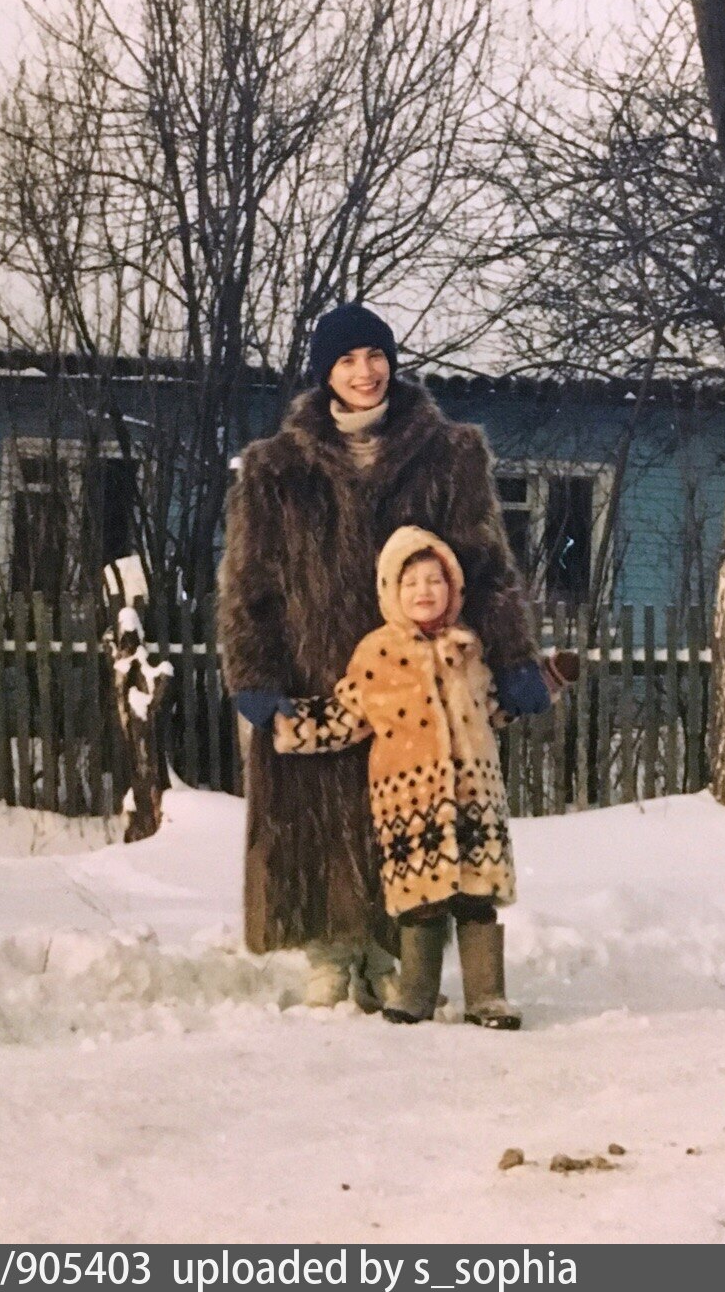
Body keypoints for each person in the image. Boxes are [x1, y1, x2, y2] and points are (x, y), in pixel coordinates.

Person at [216, 302, 548, 1009]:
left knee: (406, 814)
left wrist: (515, 656)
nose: (364, 372)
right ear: (325, 373)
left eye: (374, 356)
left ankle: (393, 951)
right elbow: (250, 583)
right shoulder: (277, 467)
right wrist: (253, 673)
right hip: (312, 666)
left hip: (417, 675)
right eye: (346, 360)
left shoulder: (448, 454)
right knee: (315, 810)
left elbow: (485, 565)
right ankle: (329, 954)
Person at [265, 524, 540, 1028]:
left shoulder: (469, 649)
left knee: (478, 901)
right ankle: (416, 995)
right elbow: (345, 716)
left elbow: (493, 710)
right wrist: (287, 722)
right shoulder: (377, 654)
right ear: (391, 591)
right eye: (410, 582)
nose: (423, 591)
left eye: (434, 580)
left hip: (475, 797)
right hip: (411, 803)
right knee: (421, 902)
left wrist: (545, 683)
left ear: (453, 586)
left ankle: (488, 997)